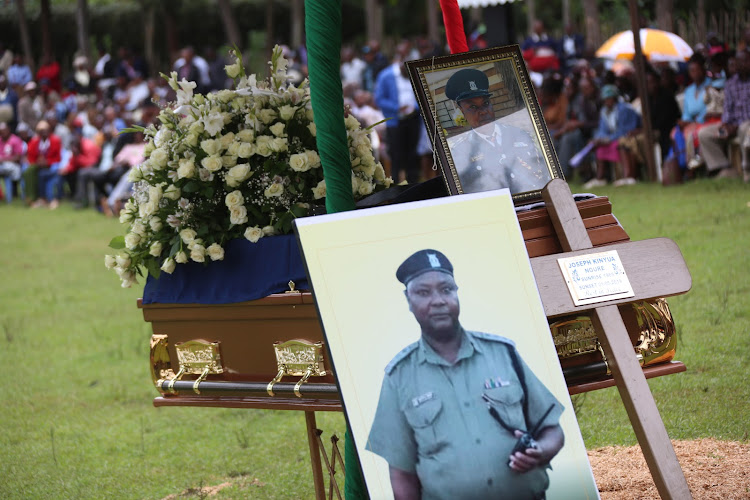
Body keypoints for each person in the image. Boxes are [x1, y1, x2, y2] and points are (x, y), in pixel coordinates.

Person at [367, 249, 565, 500]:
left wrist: (541, 451)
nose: (438, 300)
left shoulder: (504, 354)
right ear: (408, 300)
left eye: (446, 289)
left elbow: (552, 430)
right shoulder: (399, 376)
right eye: (423, 292)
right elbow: (402, 474)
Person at [445, 68, 550, 194]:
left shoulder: (519, 135)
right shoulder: (461, 150)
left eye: (486, 103)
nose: (483, 111)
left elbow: (543, 173)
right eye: (473, 107)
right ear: (462, 112)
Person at [698, 48, 750, 181]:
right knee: (704, 133)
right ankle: (724, 168)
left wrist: (736, 126)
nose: (744, 64)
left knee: (745, 128)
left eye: (746, 61)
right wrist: (726, 125)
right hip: (732, 125)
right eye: (740, 61)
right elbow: (727, 109)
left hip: (745, 125)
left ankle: (747, 171)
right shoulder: (731, 83)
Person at [374, 42, 422, 184]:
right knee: (397, 154)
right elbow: (379, 98)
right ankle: (396, 186)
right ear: (400, 66)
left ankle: (414, 184)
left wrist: (414, 106)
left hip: (413, 118)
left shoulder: (414, 73)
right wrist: (397, 107)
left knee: (413, 154)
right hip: (395, 121)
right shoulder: (386, 76)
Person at [584, 84, 640, 188]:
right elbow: (602, 129)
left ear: (614, 98)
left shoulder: (624, 109)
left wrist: (608, 139)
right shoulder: (604, 111)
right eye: (605, 99)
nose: (606, 101)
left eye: (608, 99)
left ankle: (627, 176)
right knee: (599, 148)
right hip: (612, 138)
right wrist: (599, 139)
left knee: (620, 144)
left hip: (626, 136)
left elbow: (624, 130)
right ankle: (600, 178)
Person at [23, 120, 63, 208]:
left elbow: (58, 157)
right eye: (41, 131)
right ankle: (32, 197)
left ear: (49, 131)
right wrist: (38, 162)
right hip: (38, 166)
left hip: (52, 166)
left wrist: (48, 162)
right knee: (29, 172)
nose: (43, 133)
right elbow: (31, 155)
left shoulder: (55, 141)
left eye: (45, 131)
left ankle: (51, 199)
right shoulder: (35, 142)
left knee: (47, 175)